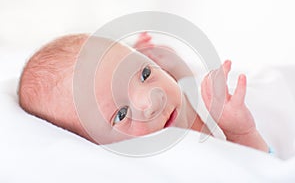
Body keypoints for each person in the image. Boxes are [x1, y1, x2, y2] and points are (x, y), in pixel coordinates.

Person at [18, 32, 269, 152]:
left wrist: (162, 59)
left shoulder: (196, 96)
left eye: (145, 74)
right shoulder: (158, 162)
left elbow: (266, 166)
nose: (151, 101)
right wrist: (241, 133)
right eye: (121, 114)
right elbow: (246, 171)